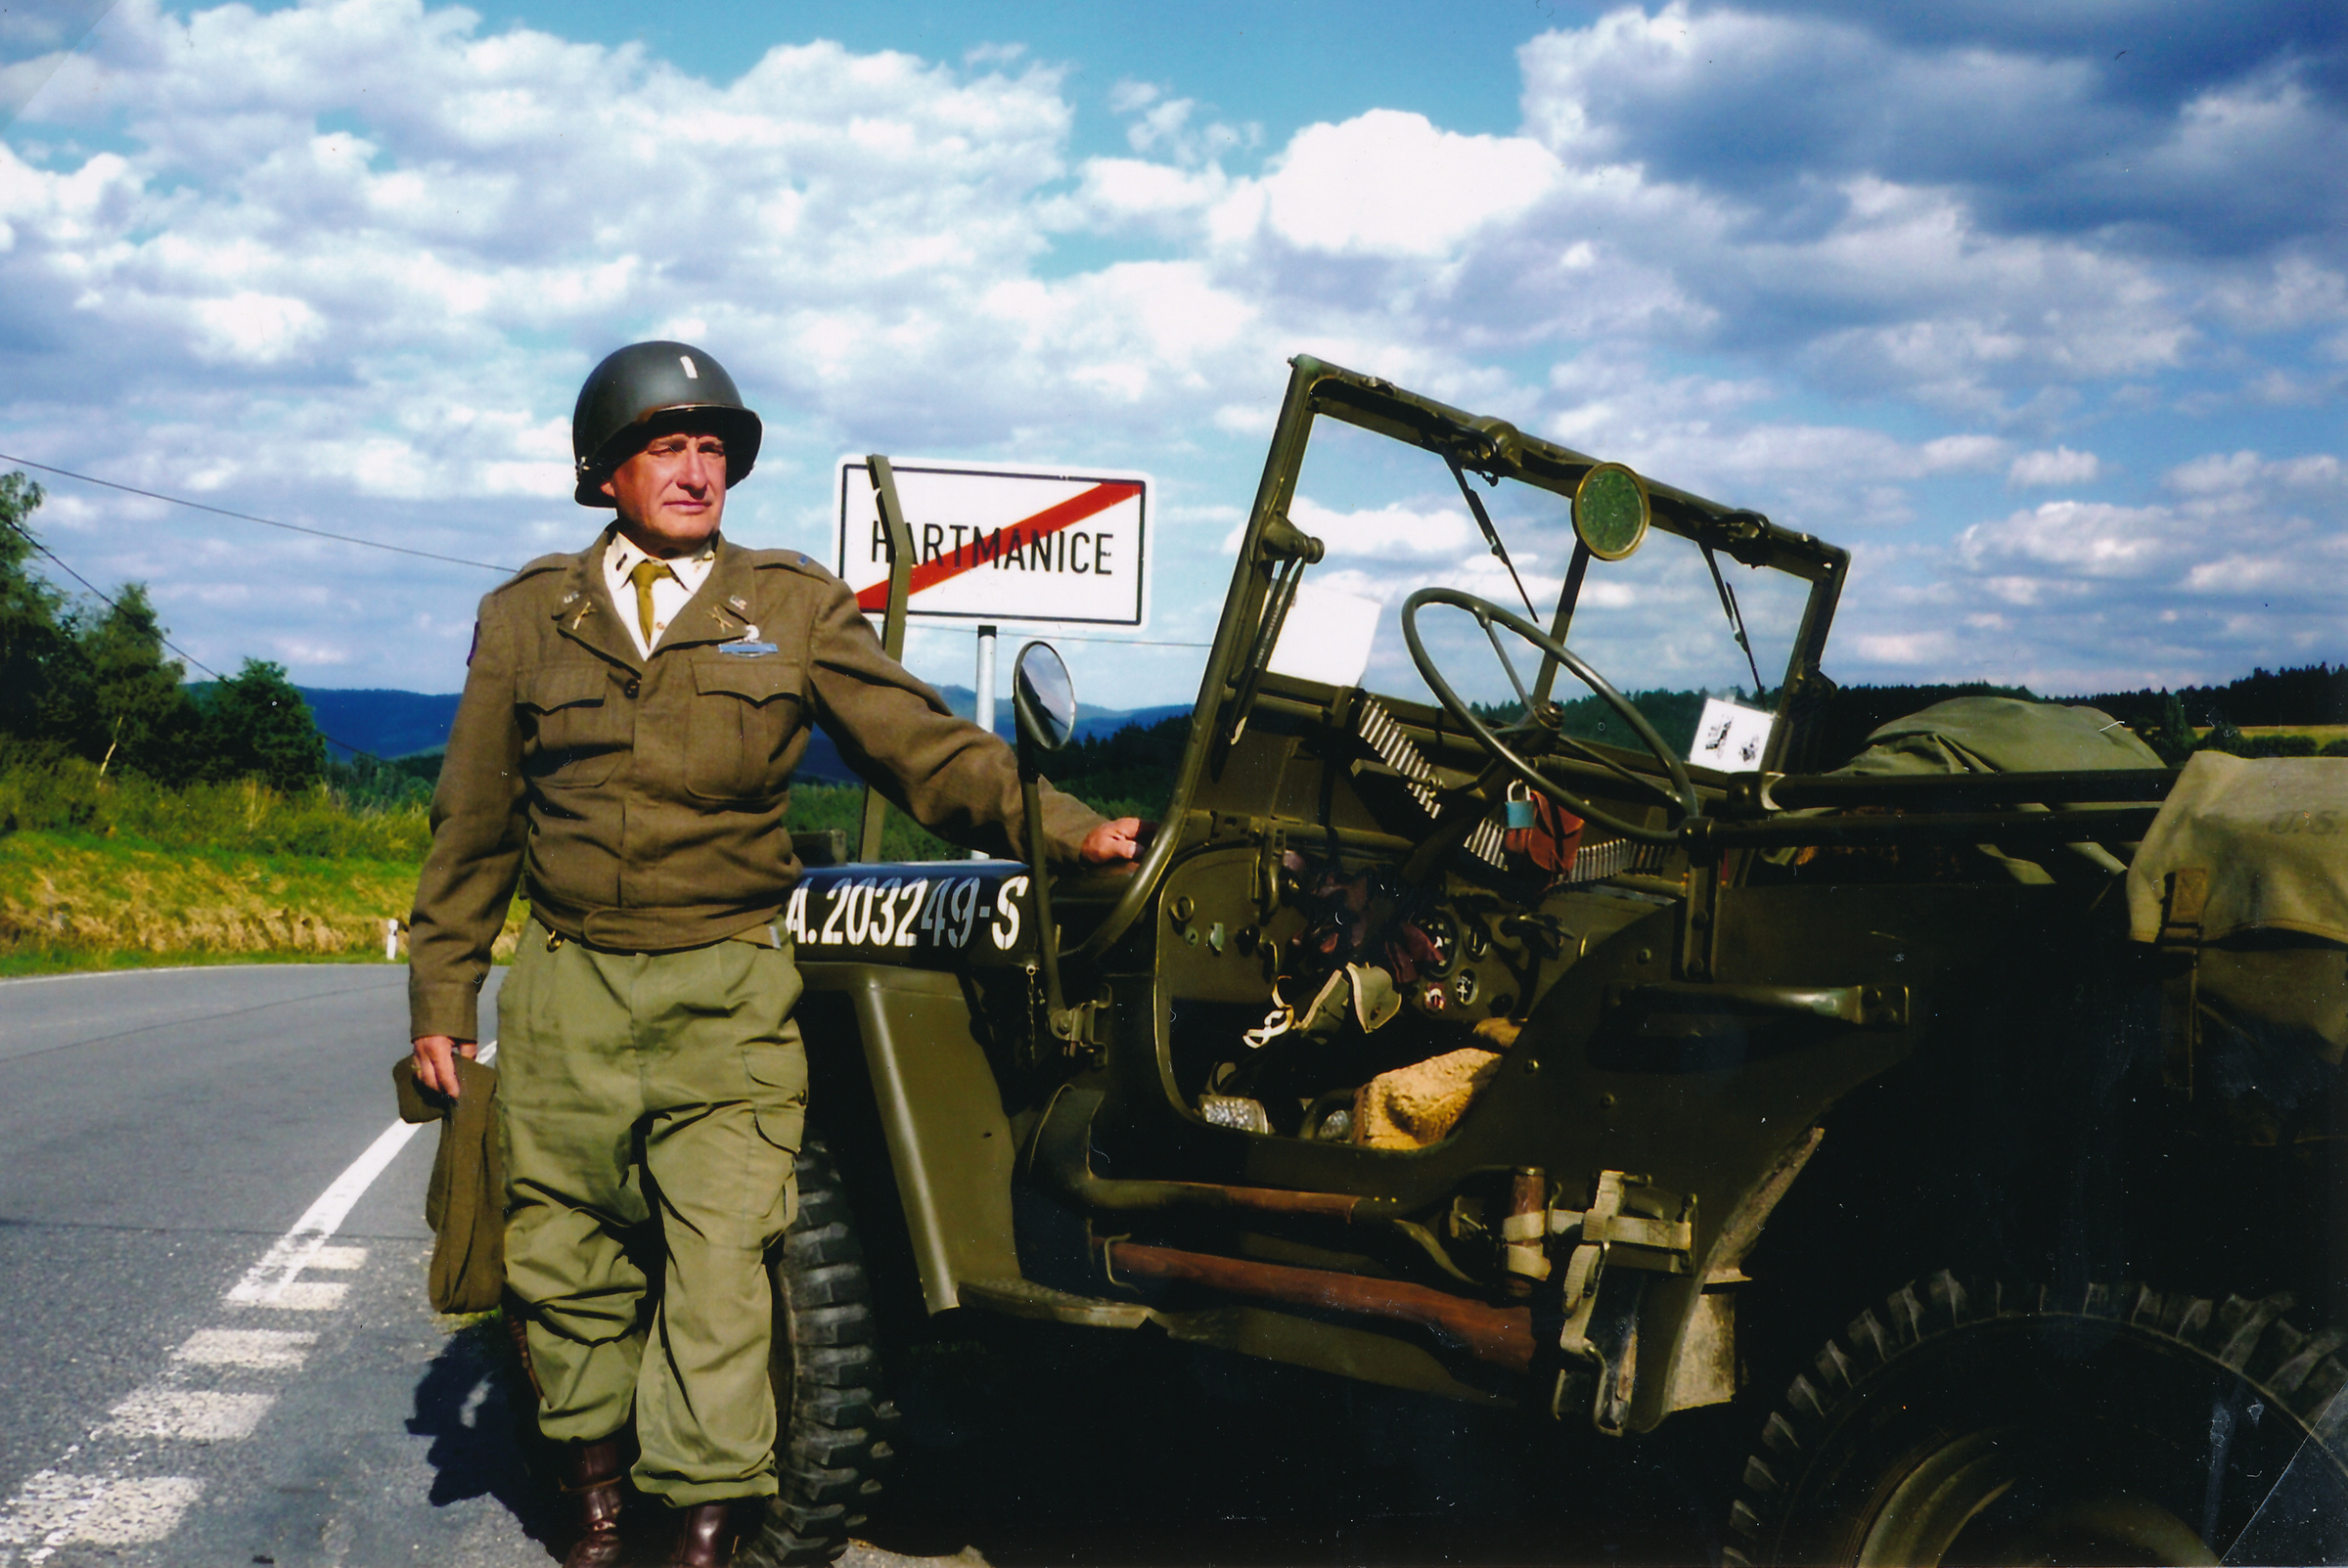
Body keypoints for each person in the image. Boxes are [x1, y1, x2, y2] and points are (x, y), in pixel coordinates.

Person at [406, 340, 1140, 1568]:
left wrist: (1064, 829)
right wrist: (442, 992)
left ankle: (703, 1523)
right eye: (666, 448)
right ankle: (590, 1490)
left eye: (713, 450)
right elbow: (475, 818)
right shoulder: (531, 616)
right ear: (605, 473)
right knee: (565, 1259)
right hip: (569, 985)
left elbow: (923, 747)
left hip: (728, 984)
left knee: (723, 1263)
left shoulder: (789, 604)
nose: (696, 472)